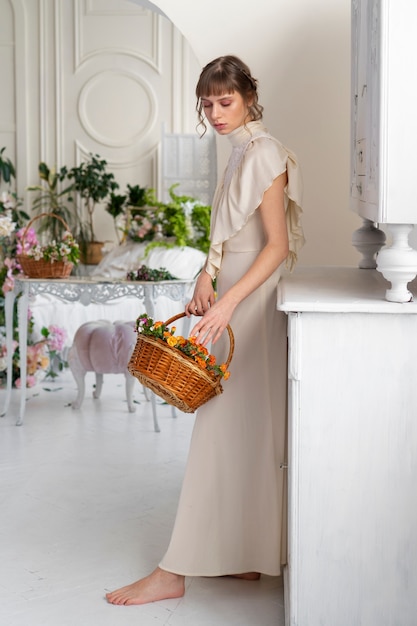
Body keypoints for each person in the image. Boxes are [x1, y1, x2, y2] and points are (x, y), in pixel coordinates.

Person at [106, 54, 304, 606]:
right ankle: (245, 554)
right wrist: (206, 274)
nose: (215, 113)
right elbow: (231, 233)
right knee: (241, 430)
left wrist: (228, 304)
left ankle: (173, 572)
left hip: (252, 300)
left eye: (225, 101)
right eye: (207, 103)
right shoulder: (240, 149)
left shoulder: (265, 152)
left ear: (247, 98)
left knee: (223, 427)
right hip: (234, 291)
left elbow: (277, 247)